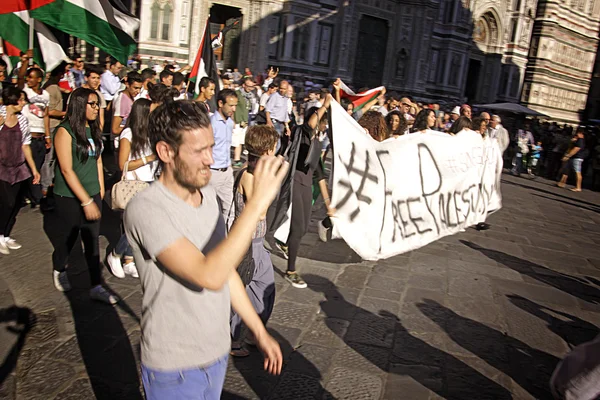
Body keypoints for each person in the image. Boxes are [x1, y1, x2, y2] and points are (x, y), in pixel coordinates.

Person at [124, 100, 284, 398]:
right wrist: (257, 203)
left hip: (216, 353)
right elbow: (206, 275)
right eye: (199, 151)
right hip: (173, 365)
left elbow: (225, 273)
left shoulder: (208, 196)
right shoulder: (146, 209)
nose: (210, 159)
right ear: (165, 152)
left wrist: (258, 331)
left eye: (211, 147)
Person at [46, 88, 117, 304]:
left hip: (93, 192)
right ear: (79, 105)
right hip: (68, 196)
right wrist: (85, 201)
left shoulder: (93, 129)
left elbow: (97, 160)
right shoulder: (64, 131)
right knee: (69, 237)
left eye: (97, 104)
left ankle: (96, 285)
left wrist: (100, 189)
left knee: (92, 240)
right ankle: (60, 268)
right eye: (93, 104)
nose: (97, 108)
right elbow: (66, 170)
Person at [230, 125, 279, 357]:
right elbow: (258, 212)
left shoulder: (256, 173)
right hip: (246, 244)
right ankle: (233, 339)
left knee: (265, 289)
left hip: (257, 242)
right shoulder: (249, 176)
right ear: (268, 150)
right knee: (245, 291)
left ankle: (251, 333)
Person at [106, 98, 157, 279]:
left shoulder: (150, 132)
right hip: (134, 184)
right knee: (135, 226)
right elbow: (123, 164)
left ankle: (129, 259)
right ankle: (116, 254)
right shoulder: (128, 133)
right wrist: (149, 158)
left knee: (143, 227)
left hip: (150, 181)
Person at [0, 86, 40, 254]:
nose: (24, 103)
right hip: (1, 167)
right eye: (21, 100)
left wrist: (34, 170)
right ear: (13, 100)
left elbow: (25, 145)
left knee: (15, 203)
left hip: (17, 167)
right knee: (6, 202)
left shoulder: (22, 119)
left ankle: (6, 234)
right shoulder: (0, 116)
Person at [19, 66, 51, 206]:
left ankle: (29, 194)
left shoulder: (45, 95)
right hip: (28, 136)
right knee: (31, 167)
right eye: (28, 77)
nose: (29, 80)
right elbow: (20, 79)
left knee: (37, 166)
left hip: (40, 137)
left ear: (39, 79)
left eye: (32, 77)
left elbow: (46, 115)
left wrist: (48, 136)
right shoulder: (25, 91)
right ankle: (37, 198)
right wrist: (25, 62)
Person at [210, 89, 238, 226]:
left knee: (230, 210)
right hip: (212, 172)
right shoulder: (211, 124)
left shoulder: (229, 123)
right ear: (221, 103)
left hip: (227, 171)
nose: (233, 109)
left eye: (235, 105)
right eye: (231, 105)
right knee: (208, 210)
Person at [111, 71, 143, 138]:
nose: (138, 91)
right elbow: (115, 129)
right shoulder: (122, 100)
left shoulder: (130, 98)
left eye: (140, 88)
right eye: (136, 88)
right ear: (127, 84)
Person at [265, 80, 291, 151]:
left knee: (277, 145)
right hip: (274, 122)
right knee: (276, 144)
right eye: (281, 88)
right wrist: (268, 121)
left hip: (281, 124)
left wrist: (287, 127)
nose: (282, 90)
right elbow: (267, 109)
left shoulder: (286, 98)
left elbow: (284, 113)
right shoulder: (274, 96)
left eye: (284, 89)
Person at [557, 127, 586, 192]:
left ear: (580, 133)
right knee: (567, 169)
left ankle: (578, 187)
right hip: (574, 157)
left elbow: (576, 149)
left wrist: (568, 155)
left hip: (577, 158)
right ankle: (562, 182)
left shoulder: (580, 140)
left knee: (577, 172)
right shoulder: (579, 140)